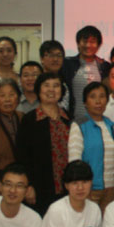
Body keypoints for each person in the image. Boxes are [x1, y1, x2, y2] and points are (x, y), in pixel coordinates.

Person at [16, 71, 71, 215]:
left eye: (56, 85)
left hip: (68, 188)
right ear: (39, 89)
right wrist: (28, 185)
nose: (51, 90)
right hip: (39, 189)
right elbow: (22, 157)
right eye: (46, 85)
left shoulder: (68, 118)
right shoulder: (29, 120)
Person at [68, 81, 114, 211]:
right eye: (92, 97)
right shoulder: (79, 124)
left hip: (111, 188)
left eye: (102, 96)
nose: (98, 101)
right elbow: (74, 161)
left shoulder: (109, 124)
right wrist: (81, 186)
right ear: (85, 102)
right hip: (89, 189)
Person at [60, 25, 111, 123]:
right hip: (73, 121)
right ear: (78, 43)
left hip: (98, 121)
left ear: (98, 45)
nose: (88, 45)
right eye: (84, 41)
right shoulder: (67, 64)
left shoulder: (105, 66)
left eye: (92, 42)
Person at [39, 40, 71, 113]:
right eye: (51, 55)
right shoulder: (35, 82)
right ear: (41, 59)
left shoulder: (66, 82)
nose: (55, 59)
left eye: (59, 55)